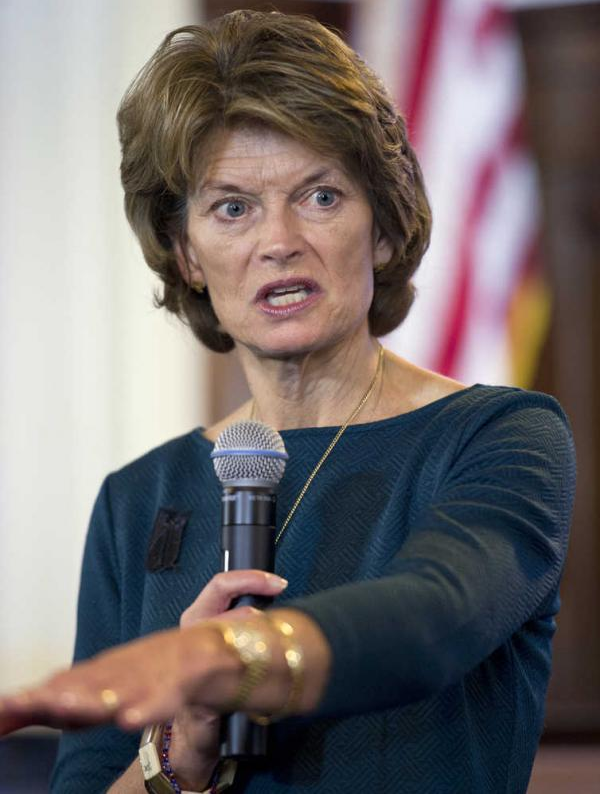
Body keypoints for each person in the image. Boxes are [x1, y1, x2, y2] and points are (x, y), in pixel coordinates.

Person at [0, 10, 575, 794]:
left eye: (320, 196)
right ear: (187, 253)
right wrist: (183, 746)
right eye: (232, 207)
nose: (279, 240)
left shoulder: (501, 438)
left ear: (380, 227)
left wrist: (230, 658)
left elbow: (435, 619)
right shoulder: (139, 500)